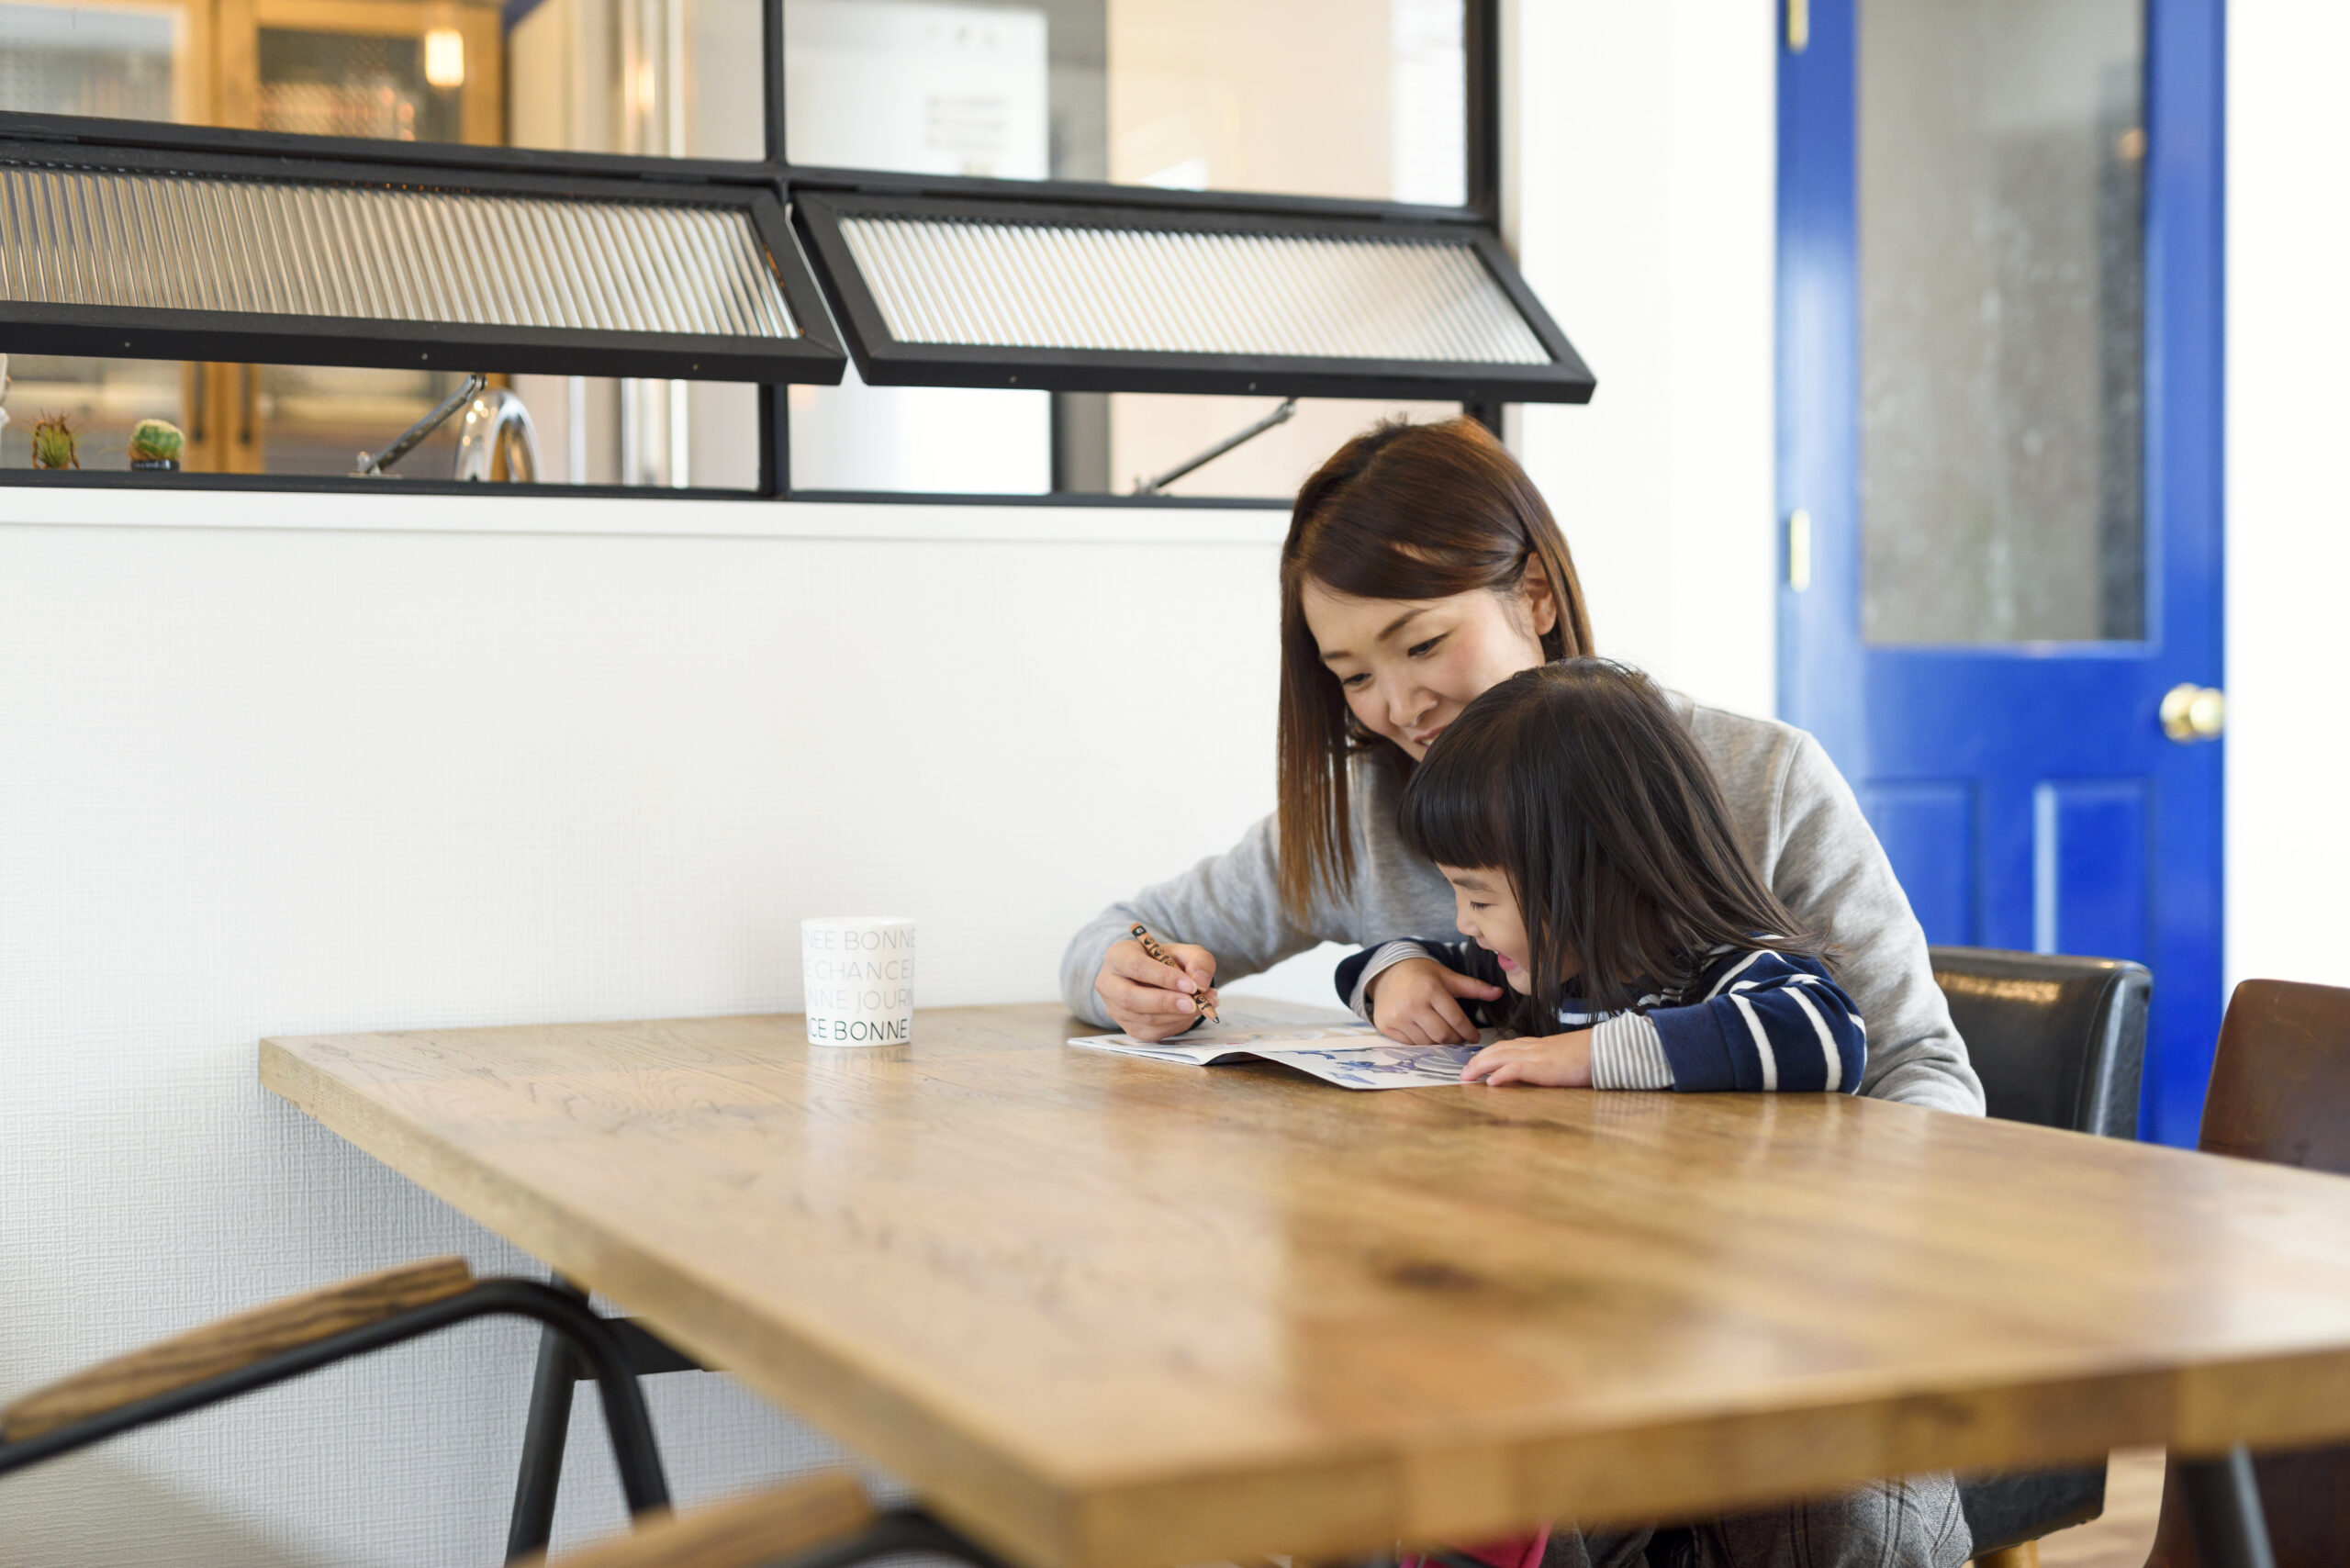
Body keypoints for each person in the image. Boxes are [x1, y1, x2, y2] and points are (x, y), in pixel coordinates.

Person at [1060, 415, 1982, 1117]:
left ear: (1533, 593)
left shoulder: (1758, 777)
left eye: (1422, 642)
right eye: (1352, 676)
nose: (1398, 706)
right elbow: (1117, 934)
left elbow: (1917, 1070)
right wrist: (1125, 976)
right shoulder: (1363, 818)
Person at [1342, 657, 1867, 1096]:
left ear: (1591, 878)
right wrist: (1398, 976)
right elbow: (1366, 968)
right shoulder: (1529, 968)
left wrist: (1592, 1055)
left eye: (1480, 901)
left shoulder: (1722, 967)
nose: (1463, 924)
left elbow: (1827, 1031)